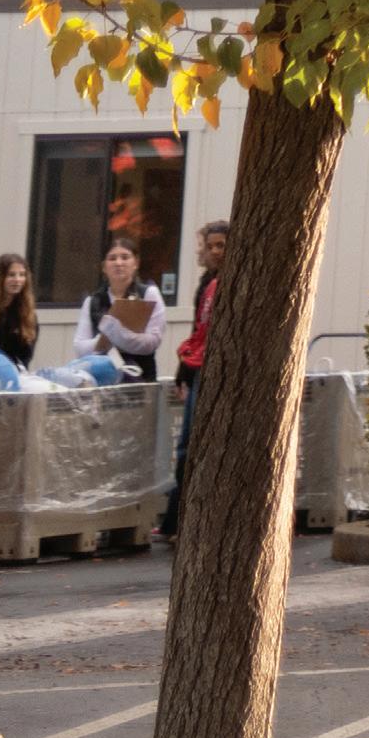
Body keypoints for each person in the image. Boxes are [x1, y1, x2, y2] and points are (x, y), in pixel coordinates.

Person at [159, 218, 227, 541]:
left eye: (221, 246)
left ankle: (182, 519)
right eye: (210, 246)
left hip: (215, 369)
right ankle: (176, 518)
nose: (215, 252)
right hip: (198, 366)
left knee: (194, 443)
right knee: (187, 444)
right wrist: (184, 372)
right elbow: (197, 332)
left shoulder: (227, 283)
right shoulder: (207, 283)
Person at [73, 236, 164, 384]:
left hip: (140, 379)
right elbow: (79, 347)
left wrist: (117, 335)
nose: (118, 263)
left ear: (136, 263)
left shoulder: (148, 294)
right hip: (103, 382)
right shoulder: (92, 301)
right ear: (104, 267)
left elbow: (152, 341)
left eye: (125, 257)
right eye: (112, 258)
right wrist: (102, 340)